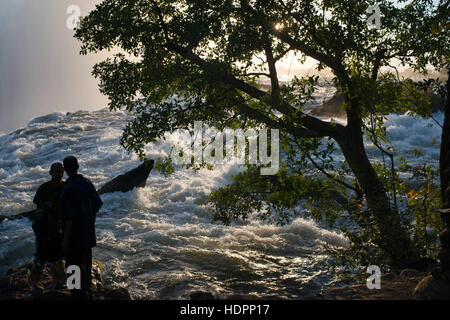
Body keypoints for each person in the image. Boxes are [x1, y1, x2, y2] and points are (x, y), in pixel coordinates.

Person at [60, 155, 102, 299]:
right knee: (86, 263)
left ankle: (75, 294)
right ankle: (88, 290)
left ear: (65, 170)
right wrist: (90, 223)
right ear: (78, 167)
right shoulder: (88, 183)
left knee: (72, 266)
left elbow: (69, 218)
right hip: (88, 232)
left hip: (73, 236)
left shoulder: (67, 189)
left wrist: (65, 240)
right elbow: (97, 205)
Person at [30, 162, 66, 289]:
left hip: (60, 228)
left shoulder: (66, 187)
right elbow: (38, 209)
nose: (59, 174)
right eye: (57, 171)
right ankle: (35, 283)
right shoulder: (44, 188)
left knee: (59, 258)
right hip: (44, 228)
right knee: (40, 257)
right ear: (50, 173)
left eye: (61, 171)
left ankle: (60, 282)